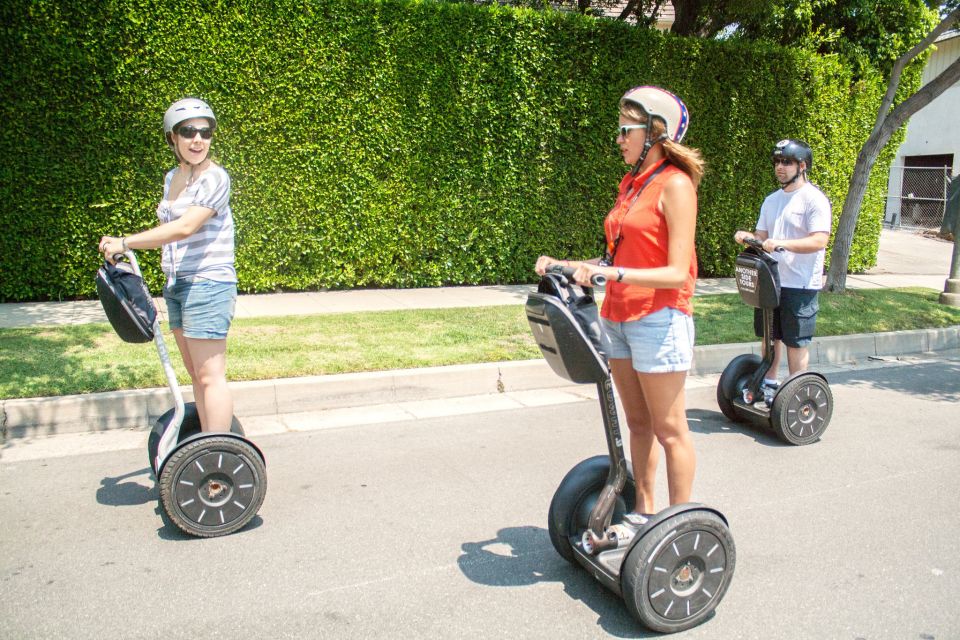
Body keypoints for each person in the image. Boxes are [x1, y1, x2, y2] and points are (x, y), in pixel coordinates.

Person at [535, 86, 704, 519]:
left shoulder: (676, 185)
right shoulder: (631, 185)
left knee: (670, 430)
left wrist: (613, 275)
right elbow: (614, 260)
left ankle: (678, 527)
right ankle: (644, 514)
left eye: (626, 130)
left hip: (659, 318)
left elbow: (677, 271)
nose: (619, 138)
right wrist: (567, 263)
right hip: (618, 316)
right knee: (638, 424)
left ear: (654, 132)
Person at [99, 97, 237, 433]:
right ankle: (206, 445)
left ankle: (218, 458)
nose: (198, 139)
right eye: (188, 131)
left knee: (210, 376)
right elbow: (169, 231)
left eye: (205, 132)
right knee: (196, 374)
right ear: (172, 138)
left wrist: (126, 242)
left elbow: (185, 227)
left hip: (208, 284)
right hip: (176, 285)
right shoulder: (172, 177)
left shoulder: (215, 178)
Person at [734, 139, 831, 401]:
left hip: (800, 284)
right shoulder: (771, 200)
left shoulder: (814, 200)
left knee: (795, 342)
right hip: (772, 281)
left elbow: (819, 240)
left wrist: (782, 244)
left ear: (802, 165)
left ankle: (796, 395)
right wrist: (748, 237)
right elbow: (762, 235)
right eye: (777, 162)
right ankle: (769, 384)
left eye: (786, 162)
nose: (780, 167)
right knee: (770, 337)